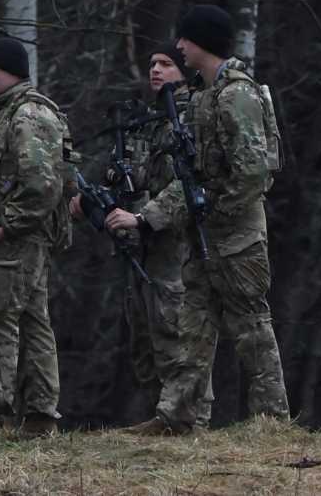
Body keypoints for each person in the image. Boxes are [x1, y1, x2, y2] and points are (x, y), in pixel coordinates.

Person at [106, 3, 291, 433]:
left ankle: (272, 422)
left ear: (201, 41)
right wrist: (150, 217)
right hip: (205, 236)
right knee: (192, 327)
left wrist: (214, 210)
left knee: (250, 327)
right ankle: (177, 417)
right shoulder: (205, 96)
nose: (180, 48)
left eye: (184, 41)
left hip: (237, 239)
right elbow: (192, 178)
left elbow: (252, 173)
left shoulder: (237, 95)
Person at [0, 35, 67, 437]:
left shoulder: (26, 116)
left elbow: (41, 184)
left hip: (18, 236)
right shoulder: (17, 113)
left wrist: (8, 225)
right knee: (33, 320)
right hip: (26, 234)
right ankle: (39, 416)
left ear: (16, 73)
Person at [122, 49, 215, 425]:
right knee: (145, 338)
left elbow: (196, 179)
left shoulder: (193, 114)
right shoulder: (151, 120)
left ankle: (191, 419)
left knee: (178, 332)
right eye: (151, 64)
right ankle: (163, 418)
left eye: (166, 64)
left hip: (179, 245)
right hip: (144, 248)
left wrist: (147, 216)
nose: (156, 71)